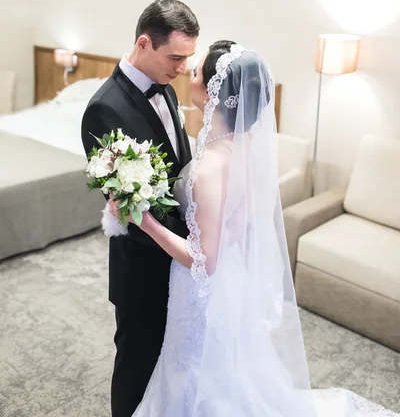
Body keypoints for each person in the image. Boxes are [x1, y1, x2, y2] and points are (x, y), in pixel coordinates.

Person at [107, 40, 397, 417]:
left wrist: (144, 222)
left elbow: (203, 260)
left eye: (196, 73)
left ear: (215, 92)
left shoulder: (211, 166)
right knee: (220, 370)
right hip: (229, 277)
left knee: (195, 372)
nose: (189, 74)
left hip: (201, 288)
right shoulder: (241, 146)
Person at [81, 0, 199, 417]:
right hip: (144, 266)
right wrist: (192, 249)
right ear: (145, 43)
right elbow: (129, 207)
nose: (183, 68)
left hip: (181, 258)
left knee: (174, 361)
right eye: (176, 57)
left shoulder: (164, 85)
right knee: (137, 363)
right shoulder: (104, 108)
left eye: (188, 59)